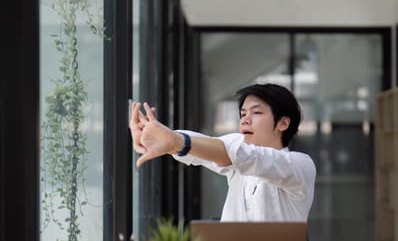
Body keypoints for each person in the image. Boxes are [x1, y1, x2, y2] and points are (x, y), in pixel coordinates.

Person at [129, 83, 316, 222]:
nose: (245, 120)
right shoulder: (236, 164)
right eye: (243, 114)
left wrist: (175, 140)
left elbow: (244, 155)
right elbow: (210, 149)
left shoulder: (300, 165)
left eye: (256, 113)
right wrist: (166, 140)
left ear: (283, 123)